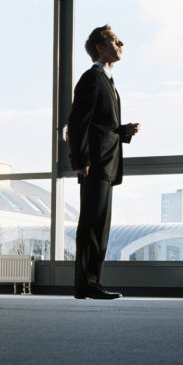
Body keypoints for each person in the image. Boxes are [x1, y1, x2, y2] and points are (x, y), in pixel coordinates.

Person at [67, 25, 140, 300]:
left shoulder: (107, 81)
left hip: (106, 162)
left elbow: (100, 125)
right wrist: (81, 160)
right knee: (92, 224)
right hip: (95, 163)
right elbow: (78, 123)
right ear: (100, 46)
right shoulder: (91, 78)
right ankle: (87, 284)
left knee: (99, 224)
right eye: (114, 40)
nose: (121, 43)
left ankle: (91, 283)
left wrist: (123, 131)